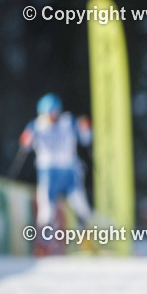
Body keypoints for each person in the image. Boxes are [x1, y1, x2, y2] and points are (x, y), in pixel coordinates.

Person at [18, 93, 93, 229]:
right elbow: (25, 146)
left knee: (79, 203)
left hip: (69, 170)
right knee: (46, 206)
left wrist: (86, 128)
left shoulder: (68, 121)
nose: (53, 116)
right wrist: (25, 140)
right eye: (50, 113)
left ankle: (88, 234)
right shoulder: (36, 125)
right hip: (48, 171)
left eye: (55, 112)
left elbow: (85, 138)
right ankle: (43, 238)